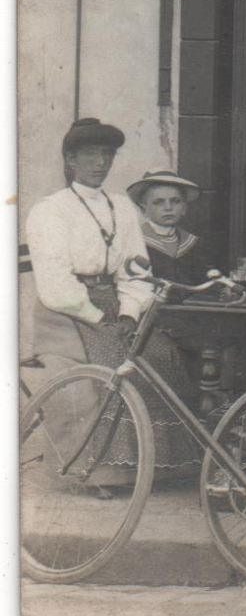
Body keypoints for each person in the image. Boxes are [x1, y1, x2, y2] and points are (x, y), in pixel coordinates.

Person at [25, 118, 199, 476]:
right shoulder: (51, 209)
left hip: (116, 306)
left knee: (159, 355)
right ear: (71, 160)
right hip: (66, 313)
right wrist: (98, 317)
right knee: (108, 361)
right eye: (90, 155)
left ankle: (157, 469)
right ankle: (98, 471)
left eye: (107, 155)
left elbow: (136, 271)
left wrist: (130, 313)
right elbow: (55, 283)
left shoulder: (121, 208)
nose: (100, 164)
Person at [128, 170, 219, 287]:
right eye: (158, 202)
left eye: (175, 201)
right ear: (143, 208)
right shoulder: (134, 241)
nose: (168, 208)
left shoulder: (193, 243)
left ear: (184, 208)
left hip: (189, 304)